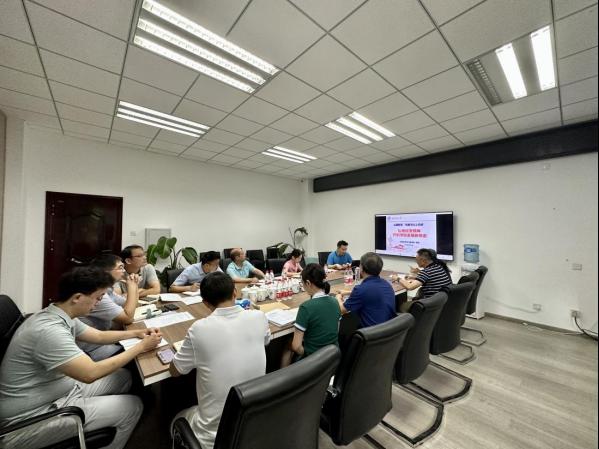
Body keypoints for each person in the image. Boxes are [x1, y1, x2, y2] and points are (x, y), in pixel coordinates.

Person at [0, 266, 162, 449]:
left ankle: (106, 419)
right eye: (98, 298)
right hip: (32, 417)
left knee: (124, 377)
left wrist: (137, 333)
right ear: (77, 297)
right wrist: (142, 346)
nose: (98, 303)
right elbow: (90, 373)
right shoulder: (48, 331)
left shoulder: (59, 314)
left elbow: (98, 336)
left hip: (58, 389)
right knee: (133, 406)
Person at [169, 272, 271, 449]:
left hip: (215, 437)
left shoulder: (198, 329)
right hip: (254, 422)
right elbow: (266, 341)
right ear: (235, 292)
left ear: (205, 303)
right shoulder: (258, 316)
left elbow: (175, 371)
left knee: (177, 419)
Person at [78, 254, 140, 361]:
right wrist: (132, 287)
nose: (124, 271)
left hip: (105, 340)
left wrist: (135, 286)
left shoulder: (108, 290)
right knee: (143, 354)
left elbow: (131, 305)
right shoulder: (97, 294)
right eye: (120, 268)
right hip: (94, 350)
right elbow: (128, 318)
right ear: (105, 272)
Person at [281, 264, 341, 367]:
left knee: (288, 344)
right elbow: (336, 331)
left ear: (308, 283)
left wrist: (307, 354)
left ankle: (284, 376)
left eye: (302, 283)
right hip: (332, 357)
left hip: (314, 362)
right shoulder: (335, 302)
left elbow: (296, 346)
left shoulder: (306, 307)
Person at [336, 252, 396, 328]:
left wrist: (338, 297)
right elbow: (372, 293)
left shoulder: (361, 290)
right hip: (389, 329)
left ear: (361, 268)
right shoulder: (386, 284)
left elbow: (341, 310)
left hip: (372, 332)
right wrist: (348, 292)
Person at [392, 248, 453, 312]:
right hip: (442, 302)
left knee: (402, 306)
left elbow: (410, 287)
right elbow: (431, 278)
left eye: (416, 260)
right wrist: (416, 276)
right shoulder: (439, 266)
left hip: (430, 303)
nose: (416, 262)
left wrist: (397, 278)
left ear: (423, 261)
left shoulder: (426, 272)